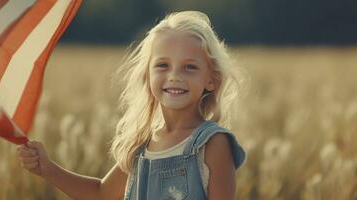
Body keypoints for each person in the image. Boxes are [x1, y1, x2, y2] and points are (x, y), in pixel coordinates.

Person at [18, 10, 246, 200]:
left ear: (211, 80)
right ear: (147, 75)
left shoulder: (213, 144)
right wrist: (47, 169)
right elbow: (101, 194)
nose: (175, 76)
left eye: (190, 67)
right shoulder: (142, 145)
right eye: (163, 65)